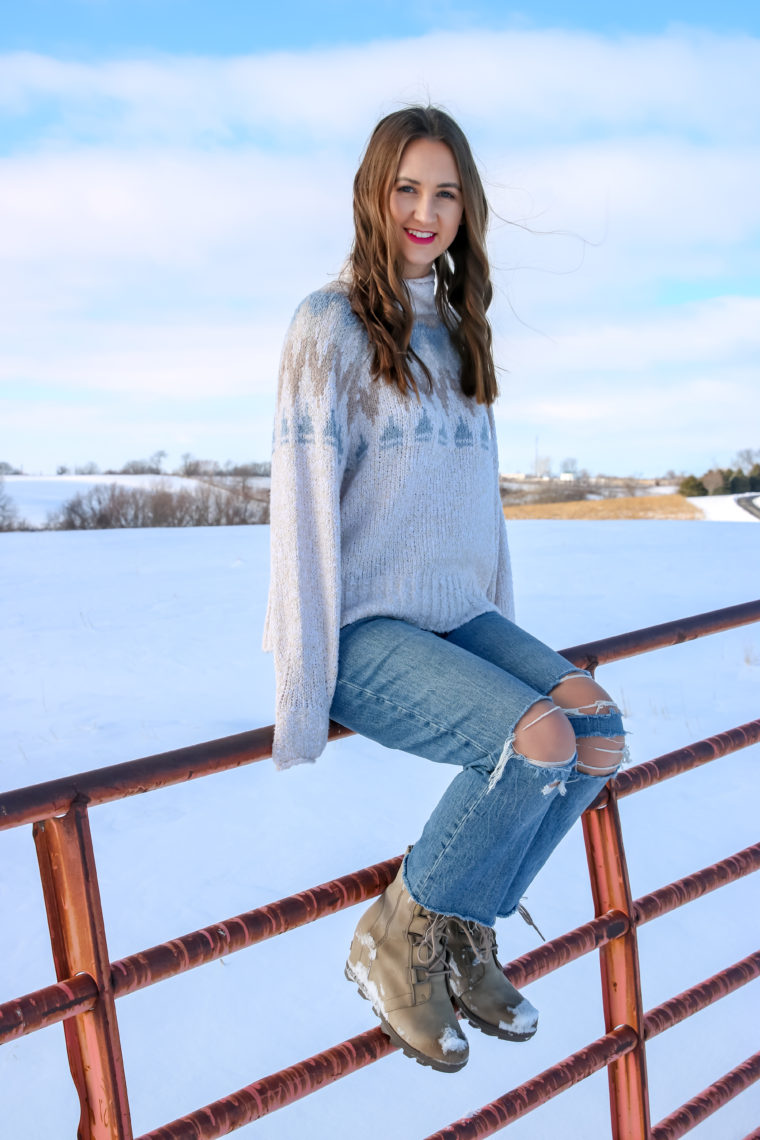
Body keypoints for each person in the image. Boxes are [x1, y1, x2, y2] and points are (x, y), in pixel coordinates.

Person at [263, 105, 627, 1074]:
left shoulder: (464, 332)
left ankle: (460, 930)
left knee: (595, 734)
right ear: (373, 197)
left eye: (446, 193)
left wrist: (511, 652)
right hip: (367, 631)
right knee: (538, 736)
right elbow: (298, 514)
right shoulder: (327, 324)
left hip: (461, 620)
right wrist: (301, 693)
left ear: (467, 211)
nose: (425, 212)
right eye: (407, 189)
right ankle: (402, 936)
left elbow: (476, 520)